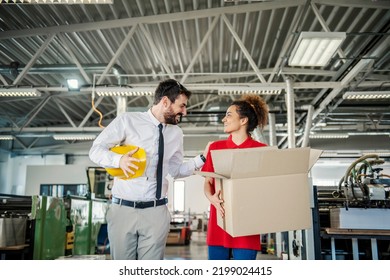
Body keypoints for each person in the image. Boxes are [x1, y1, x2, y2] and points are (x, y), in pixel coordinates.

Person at [89, 79, 207, 260]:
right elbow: (96, 150)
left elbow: (175, 170)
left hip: (156, 211)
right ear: (165, 102)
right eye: (182, 106)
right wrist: (118, 160)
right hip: (123, 210)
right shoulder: (128, 121)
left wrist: (201, 159)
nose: (185, 111)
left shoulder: (176, 134)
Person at [201, 93, 269, 260]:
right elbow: (208, 182)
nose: (224, 119)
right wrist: (211, 198)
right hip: (219, 219)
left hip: (247, 222)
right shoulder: (215, 147)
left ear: (243, 120)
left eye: (229, 115)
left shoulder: (261, 150)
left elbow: (266, 188)